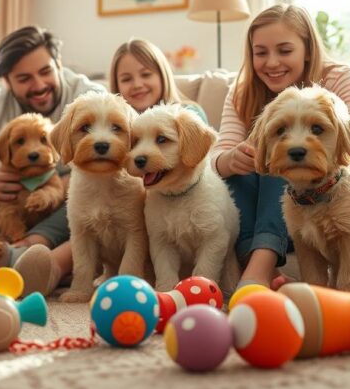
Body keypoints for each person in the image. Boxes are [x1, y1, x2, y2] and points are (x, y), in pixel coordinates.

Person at [13, 37, 208, 295]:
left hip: (167, 208)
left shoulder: (184, 115)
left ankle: (50, 264)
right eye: (126, 79)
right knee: (77, 215)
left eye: (146, 74)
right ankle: (34, 260)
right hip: (86, 192)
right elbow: (82, 233)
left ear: (163, 74)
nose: (137, 84)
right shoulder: (114, 108)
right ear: (117, 87)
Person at [211, 4, 350, 291]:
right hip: (278, 206)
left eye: (284, 51)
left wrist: (306, 154)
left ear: (308, 49)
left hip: (335, 190)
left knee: (289, 160)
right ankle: (266, 265)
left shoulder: (339, 78)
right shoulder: (242, 91)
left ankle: (259, 269)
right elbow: (217, 157)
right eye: (260, 52)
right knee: (240, 175)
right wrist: (231, 159)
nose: (272, 62)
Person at [0, 26, 105, 295]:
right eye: (24, 78)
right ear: (7, 82)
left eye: (45, 72)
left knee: (94, 191)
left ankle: (28, 251)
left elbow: (111, 160)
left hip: (66, 205)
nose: (38, 85)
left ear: (59, 64)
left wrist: (55, 186)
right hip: (5, 204)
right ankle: (4, 250)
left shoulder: (88, 97)